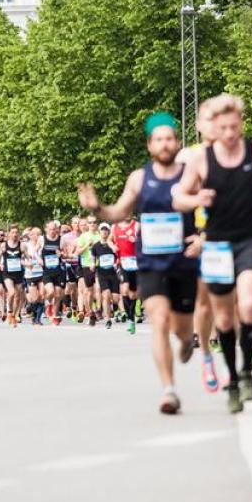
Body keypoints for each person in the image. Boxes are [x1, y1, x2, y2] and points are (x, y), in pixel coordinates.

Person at [80, 111, 200, 414]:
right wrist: (97, 208)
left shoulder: (190, 174)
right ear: (149, 145)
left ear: (176, 142)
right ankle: (169, 390)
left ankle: (186, 340)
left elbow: (213, 207)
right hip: (151, 263)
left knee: (182, 329)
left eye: (169, 138)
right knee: (159, 321)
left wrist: (204, 237)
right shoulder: (138, 178)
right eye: (158, 139)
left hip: (184, 261)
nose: (164, 144)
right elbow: (119, 212)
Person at [173, 93, 252, 415]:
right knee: (224, 318)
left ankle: (246, 371)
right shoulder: (200, 159)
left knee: (247, 304)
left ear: (241, 124)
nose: (231, 134)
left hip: (250, 240)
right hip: (217, 244)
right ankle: (232, 378)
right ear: (214, 128)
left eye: (235, 126)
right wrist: (195, 199)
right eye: (224, 128)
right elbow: (179, 197)